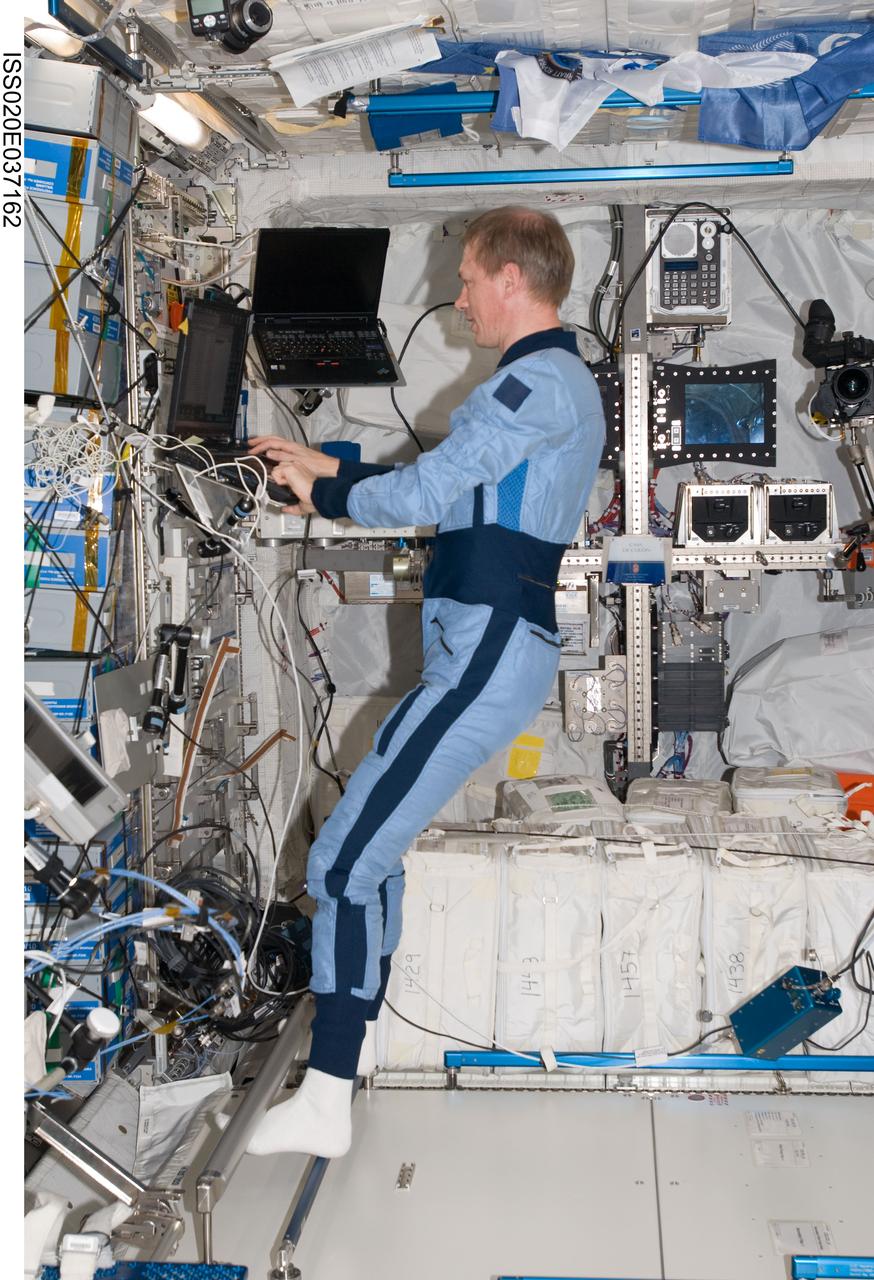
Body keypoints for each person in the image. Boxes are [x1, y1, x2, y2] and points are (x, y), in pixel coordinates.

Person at [242, 206, 606, 1158]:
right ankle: (346, 1062)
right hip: (478, 646)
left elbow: (423, 497)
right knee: (372, 851)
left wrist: (324, 492)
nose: (459, 296)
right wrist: (322, 463)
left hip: (485, 649)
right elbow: (449, 480)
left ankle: (325, 1099)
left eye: (469, 278)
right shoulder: (539, 383)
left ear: (512, 281)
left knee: (342, 862)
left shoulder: (541, 381)